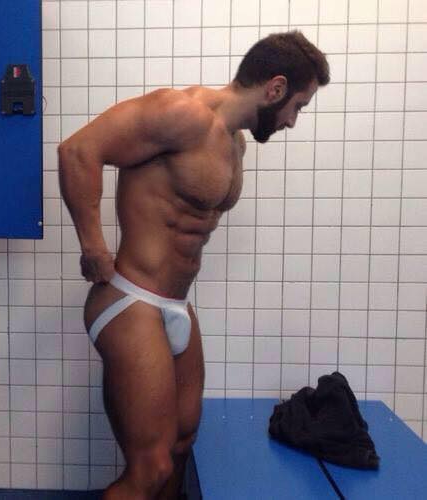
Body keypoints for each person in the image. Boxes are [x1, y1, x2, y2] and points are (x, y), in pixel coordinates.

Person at [58, 30, 329, 500]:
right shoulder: (180, 113)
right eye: (298, 107)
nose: (292, 121)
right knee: (151, 470)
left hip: (176, 305)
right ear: (276, 88)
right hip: (131, 300)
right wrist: (93, 247)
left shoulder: (236, 144)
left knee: (182, 445)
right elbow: (78, 151)